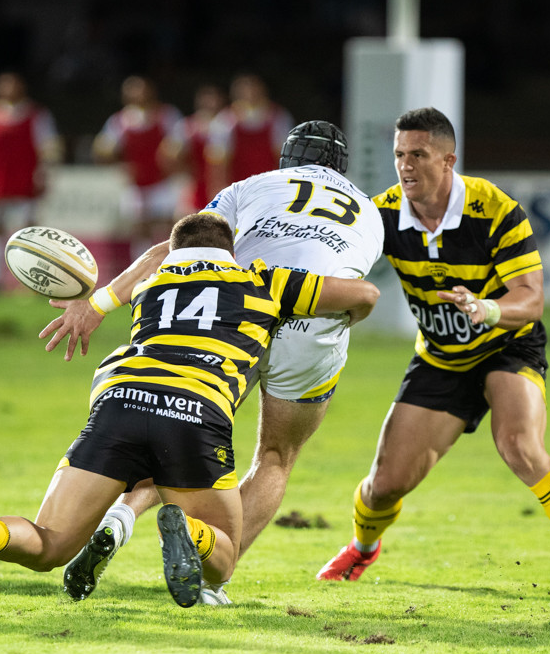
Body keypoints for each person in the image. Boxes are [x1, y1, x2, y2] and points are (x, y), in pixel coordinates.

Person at [0, 213, 379, 607]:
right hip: (196, 410)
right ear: (230, 251)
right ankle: (186, 529)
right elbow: (365, 295)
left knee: (50, 545)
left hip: (119, 404)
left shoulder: (152, 282)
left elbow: (119, 289)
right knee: (224, 557)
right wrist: (342, 314)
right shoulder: (266, 280)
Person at [46, 121, 383, 605]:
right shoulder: (369, 212)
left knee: (174, 416)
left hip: (236, 311)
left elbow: (171, 250)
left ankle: (120, 519)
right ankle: (210, 580)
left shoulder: (254, 185)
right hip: (315, 319)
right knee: (275, 457)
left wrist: (97, 304)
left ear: (286, 160)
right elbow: (362, 287)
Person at [315, 107, 550, 598]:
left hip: (506, 345)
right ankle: (362, 547)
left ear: (449, 160)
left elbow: (531, 299)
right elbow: (332, 260)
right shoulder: (380, 215)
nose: (406, 166)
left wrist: (488, 309)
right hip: (442, 358)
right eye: (400, 155)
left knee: (519, 445)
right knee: (384, 484)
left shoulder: (494, 209)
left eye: (419, 155)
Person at [0, 72, 62, 292]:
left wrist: (46, 174)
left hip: (27, 182)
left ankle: (32, 281)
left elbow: (49, 147)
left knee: (29, 232)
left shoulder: (36, 116)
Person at [92, 75, 182, 260]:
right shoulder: (119, 121)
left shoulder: (166, 115)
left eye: (141, 89)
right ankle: (141, 271)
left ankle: (171, 264)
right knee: (140, 228)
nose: (137, 94)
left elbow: (179, 143)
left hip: (162, 182)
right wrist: (116, 160)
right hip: (136, 184)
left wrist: (171, 157)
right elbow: (103, 149)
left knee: (169, 226)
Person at [205, 74, 293, 197]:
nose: (250, 93)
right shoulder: (224, 121)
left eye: (253, 88)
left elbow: (284, 159)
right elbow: (218, 165)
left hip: (269, 189)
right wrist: (219, 194)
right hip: (237, 190)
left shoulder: (279, 118)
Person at [160, 83, 226, 217]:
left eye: (214, 99)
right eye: (207, 99)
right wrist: (184, 173)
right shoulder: (187, 127)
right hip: (196, 186)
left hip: (223, 186)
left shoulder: (229, 123)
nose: (211, 103)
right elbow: (169, 154)